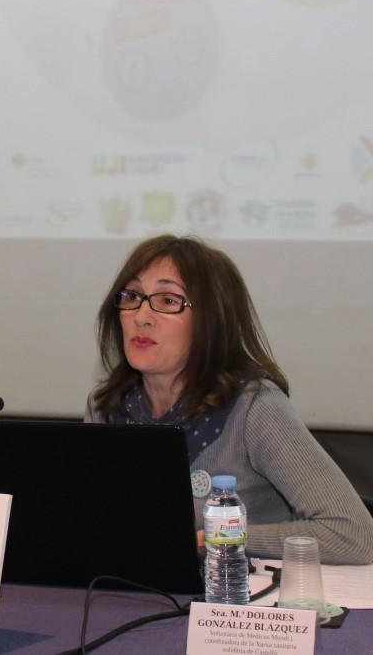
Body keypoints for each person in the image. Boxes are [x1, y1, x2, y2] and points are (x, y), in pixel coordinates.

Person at [85, 234, 373, 564]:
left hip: (241, 600)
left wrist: (214, 537)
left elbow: (353, 534)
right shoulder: (106, 405)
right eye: (133, 296)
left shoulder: (254, 406)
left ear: (211, 319)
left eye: (167, 301)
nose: (141, 316)